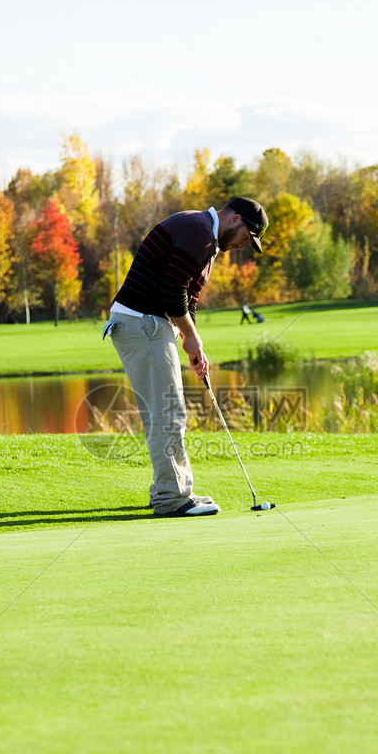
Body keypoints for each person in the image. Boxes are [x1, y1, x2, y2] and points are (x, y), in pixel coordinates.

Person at [103, 196, 269, 517]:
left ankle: (168, 488)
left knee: (162, 412)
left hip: (148, 323)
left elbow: (188, 296)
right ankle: (173, 498)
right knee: (169, 411)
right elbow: (171, 291)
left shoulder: (206, 237)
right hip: (143, 322)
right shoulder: (199, 233)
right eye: (247, 238)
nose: (244, 246)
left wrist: (192, 341)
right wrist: (189, 335)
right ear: (235, 219)